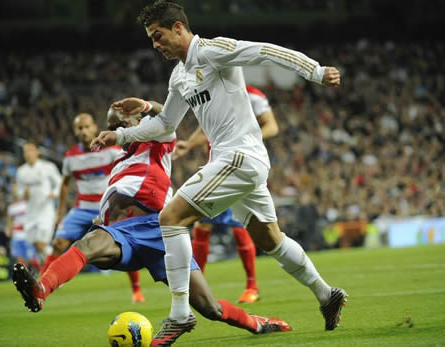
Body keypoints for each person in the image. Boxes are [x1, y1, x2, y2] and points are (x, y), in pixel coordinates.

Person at [91, 1, 347, 344]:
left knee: (171, 218)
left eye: (158, 35)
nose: (155, 44)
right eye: (152, 39)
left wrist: (315, 71)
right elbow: (167, 124)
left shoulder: (213, 50)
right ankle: (326, 294)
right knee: (270, 239)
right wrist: (120, 134)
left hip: (239, 156)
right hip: (233, 162)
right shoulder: (180, 75)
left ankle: (180, 314)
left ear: (179, 27)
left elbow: (265, 52)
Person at [12, 105, 292, 344]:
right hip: (127, 234)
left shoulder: (155, 142)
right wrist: (105, 216)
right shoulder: (119, 161)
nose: (117, 130)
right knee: (86, 244)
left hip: (157, 228)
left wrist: (147, 106)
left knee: (209, 307)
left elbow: (166, 119)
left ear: (136, 122)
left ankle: (257, 323)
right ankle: (41, 290)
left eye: (120, 123)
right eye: (113, 125)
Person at [173, 84, 279, 303]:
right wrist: (190, 145)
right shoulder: (214, 92)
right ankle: (197, 286)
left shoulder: (252, 94)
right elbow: (205, 129)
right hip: (217, 165)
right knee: (202, 223)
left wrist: (249, 136)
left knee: (240, 225)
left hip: (241, 165)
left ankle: (252, 286)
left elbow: (272, 126)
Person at [40, 113, 145, 303]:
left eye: (87, 127)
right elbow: (65, 184)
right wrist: (60, 213)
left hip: (106, 207)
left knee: (124, 246)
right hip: (82, 208)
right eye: (80, 128)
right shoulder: (71, 157)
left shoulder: (112, 151)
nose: (84, 131)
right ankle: (40, 286)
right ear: (75, 131)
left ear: (95, 128)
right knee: (58, 243)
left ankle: (136, 290)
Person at [16, 141, 62, 270]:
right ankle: (50, 271)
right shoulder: (21, 172)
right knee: (37, 246)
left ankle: (60, 266)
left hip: (45, 211)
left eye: (30, 150)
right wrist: (23, 194)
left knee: (41, 244)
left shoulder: (48, 167)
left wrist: (54, 193)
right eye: (25, 151)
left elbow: (59, 183)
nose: (28, 154)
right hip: (31, 213)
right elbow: (19, 192)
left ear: (37, 151)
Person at [5, 184, 38, 271]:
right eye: (13, 189)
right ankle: (24, 278)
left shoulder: (26, 202)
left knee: (31, 259)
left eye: (16, 188)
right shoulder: (11, 206)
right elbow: (10, 220)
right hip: (16, 234)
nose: (14, 191)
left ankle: (41, 273)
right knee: (19, 259)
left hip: (27, 233)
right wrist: (8, 229)